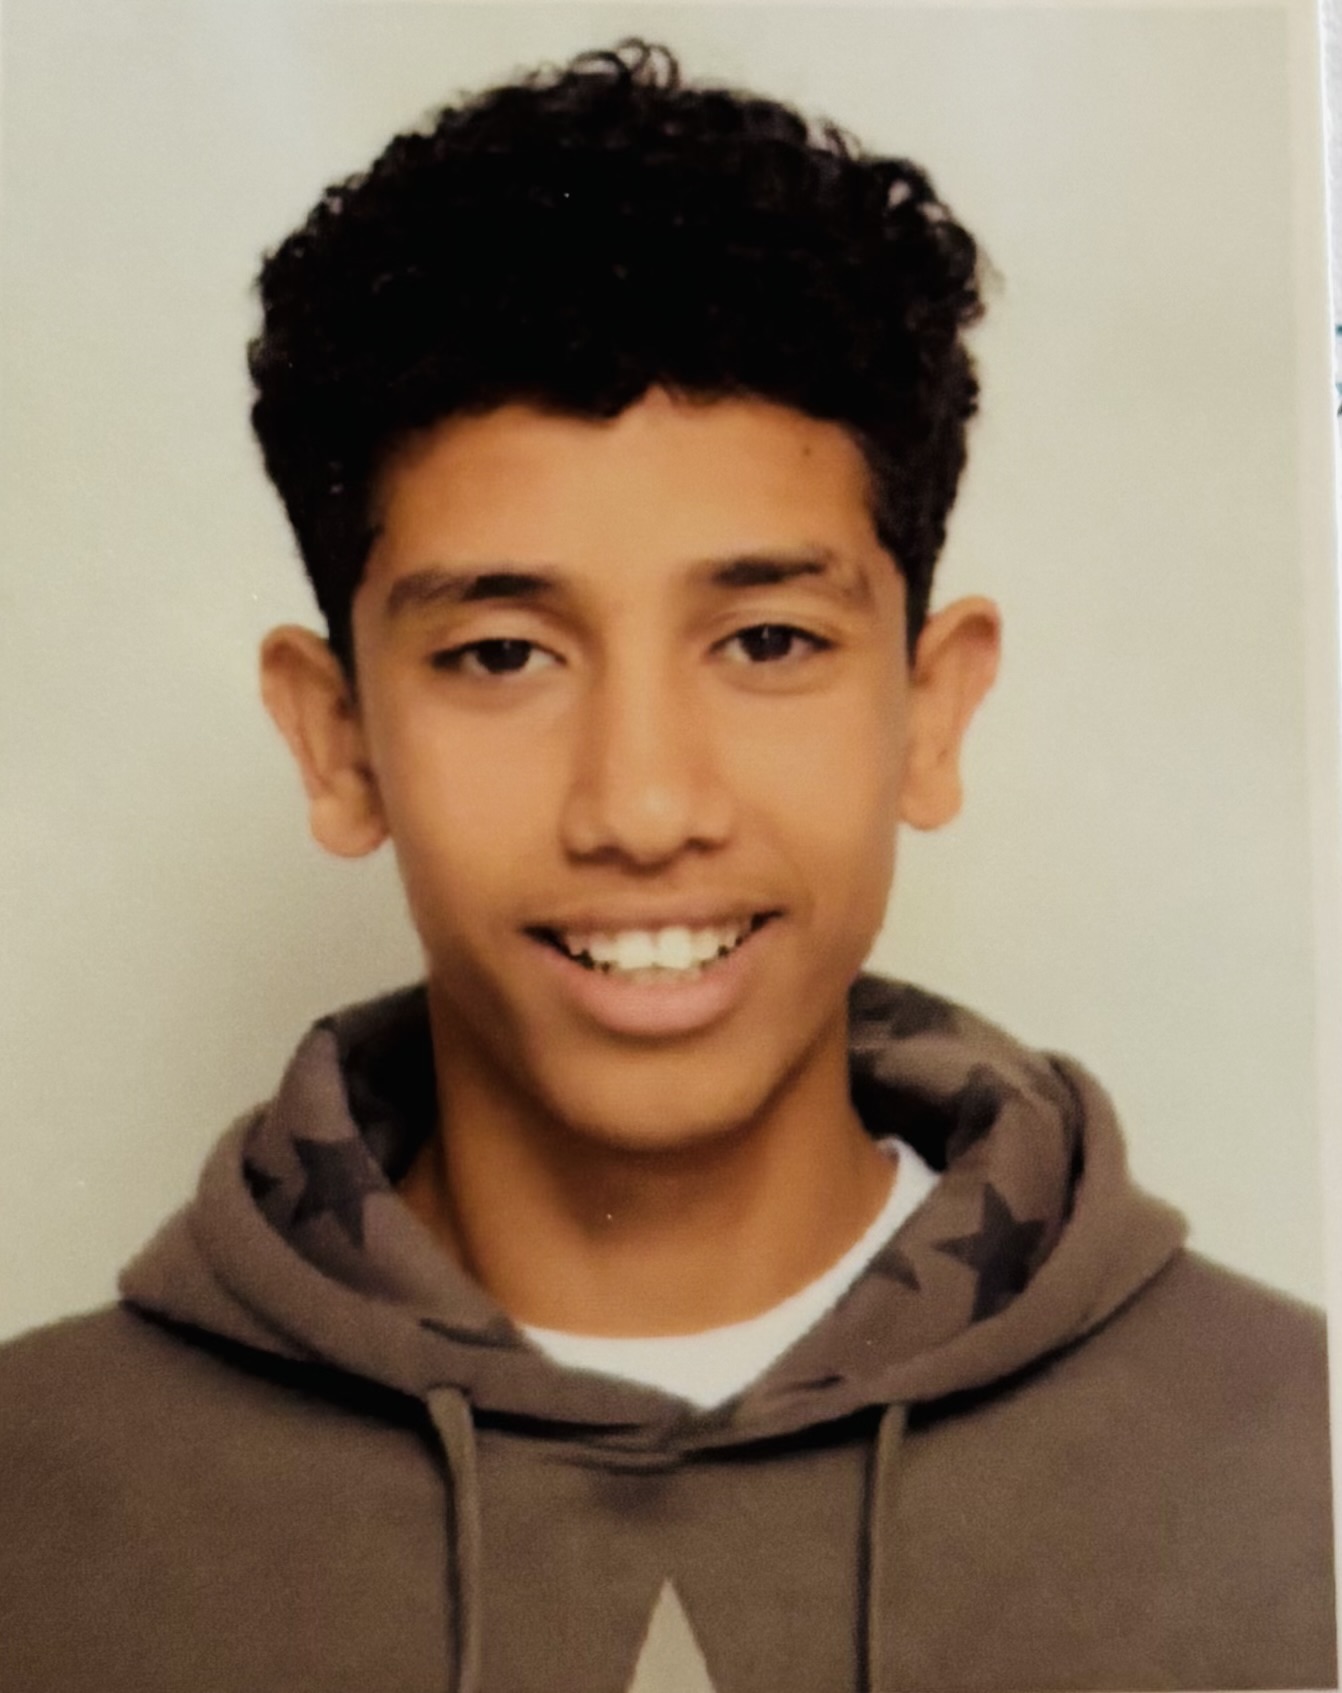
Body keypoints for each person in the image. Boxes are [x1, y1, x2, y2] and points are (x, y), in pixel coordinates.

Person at [0, 39, 1332, 1693]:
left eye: (766, 639)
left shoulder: (1294, 1463)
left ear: (928, 711)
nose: (640, 806)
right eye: (501, 654)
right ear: (337, 740)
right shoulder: (35, 1517)